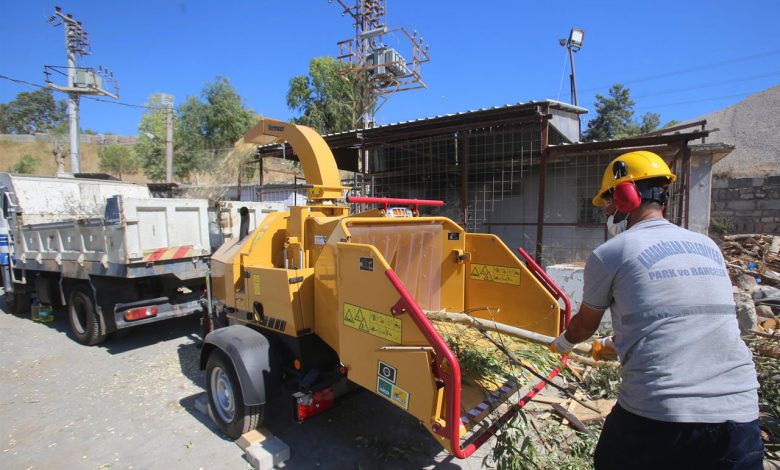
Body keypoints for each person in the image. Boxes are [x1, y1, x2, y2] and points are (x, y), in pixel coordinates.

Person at [549, 150, 763, 470]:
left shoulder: (611, 253)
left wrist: (560, 345)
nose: (607, 210)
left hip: (661, 413)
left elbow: (583, 327)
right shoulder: (707, 246)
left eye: (609, 201)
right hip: (741, 415)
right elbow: (681, 318)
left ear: (625, 197)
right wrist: (612, 345)